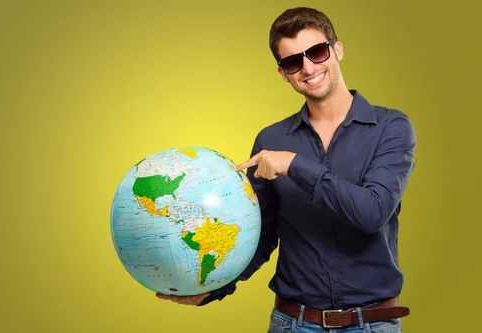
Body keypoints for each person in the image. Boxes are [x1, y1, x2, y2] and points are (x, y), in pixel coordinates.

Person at [156, 6, 415, 333]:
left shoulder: (391, 128)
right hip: (293, 324)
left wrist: (295, 165)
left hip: (372, 325)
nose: (308, 68)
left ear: (337, 50)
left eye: (317, 52)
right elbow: (259, 234)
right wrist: (215, 287)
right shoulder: (271, 139)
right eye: (293, 62)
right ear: (283, 73)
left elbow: (372, 212)